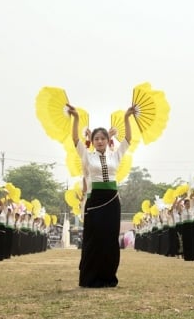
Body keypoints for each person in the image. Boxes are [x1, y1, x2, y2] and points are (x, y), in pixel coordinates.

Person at [67, 103, 134, 288]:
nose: (99, 141)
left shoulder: (116, 155)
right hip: (95, 200)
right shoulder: (87, 156)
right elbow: (75, 139)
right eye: (96, 138)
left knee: (110, 239)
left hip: (112, 200)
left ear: (107, 140)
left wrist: (127, 117)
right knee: (94, 239)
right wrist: (76, 119)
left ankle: (108, 278)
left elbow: (129, 138)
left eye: (102, 138)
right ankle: (91, 278)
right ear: (93, 141)